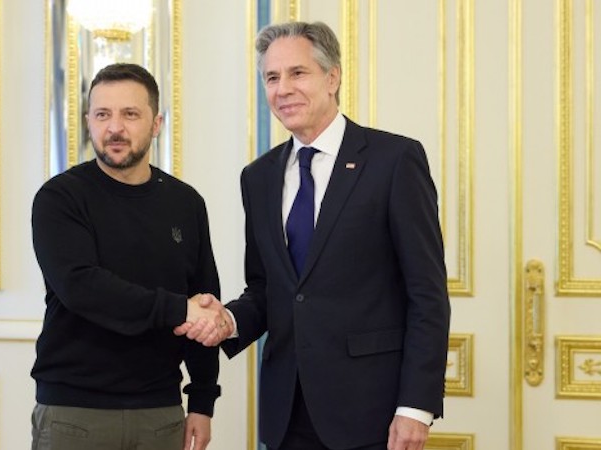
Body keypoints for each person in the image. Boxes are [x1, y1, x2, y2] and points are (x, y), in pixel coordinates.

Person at [175, 21, 451, 450]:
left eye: (297, 73)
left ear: (333, 77)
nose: (282, 88)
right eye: (271, 77)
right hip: (287, 414)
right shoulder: (259, 177)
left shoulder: (394, 160)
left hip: (372, 411)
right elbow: (269, 288)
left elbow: (427, 293)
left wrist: (416, 405)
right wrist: (228, 320)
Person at [30, 63, 226, 450]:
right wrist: (180, 310)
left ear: (156, 124)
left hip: (161, 414)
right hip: (74, 414)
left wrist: (202, 401)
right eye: (103, 114)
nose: (114, 128)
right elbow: (82, 287)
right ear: (89, 121)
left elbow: (204, 296)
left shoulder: (186, 203)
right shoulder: (60, 198)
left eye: (130, 114)